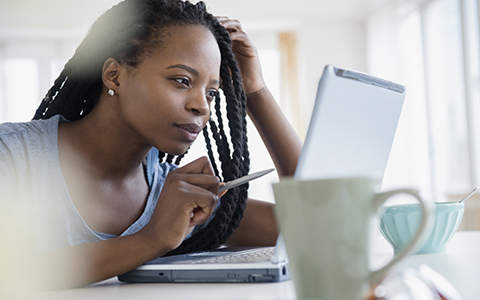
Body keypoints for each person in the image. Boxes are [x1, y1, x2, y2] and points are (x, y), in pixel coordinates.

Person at [0, 0, 302, 289]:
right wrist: (152, 238)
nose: (203, 106)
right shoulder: (12, 156)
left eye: (211, 92)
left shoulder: (172, 197)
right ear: (114, 76)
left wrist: (256, 92)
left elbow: (317, 227)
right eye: (182, 80)